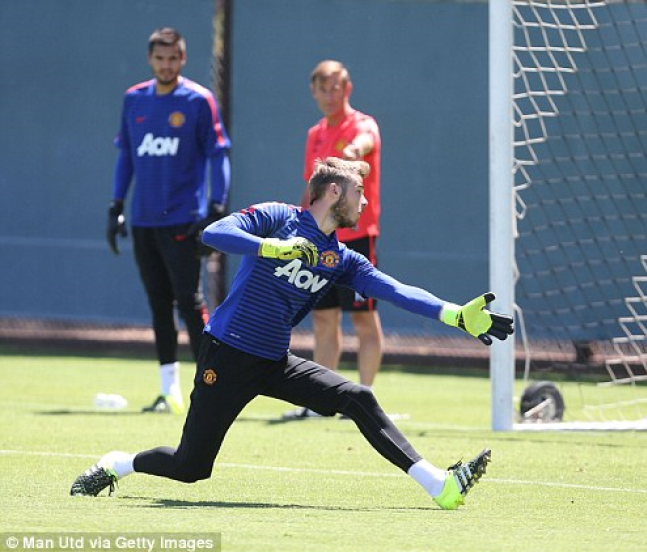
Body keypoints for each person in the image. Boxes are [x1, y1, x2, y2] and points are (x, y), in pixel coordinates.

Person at [71, 157, 513, 510]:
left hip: (274, 362)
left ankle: (439, 485)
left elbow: (396, 290)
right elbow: (214, 233)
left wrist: (455, 315)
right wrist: (272, 247)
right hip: (226, 355)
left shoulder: (340, 258)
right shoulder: (278, 217)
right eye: (360, 191)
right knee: (191, 467)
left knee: (358, 398)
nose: (365, 201)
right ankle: (117, 464)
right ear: (334, 191)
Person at [106, 27, 231, 414]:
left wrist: (215, 208)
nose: (166, 65)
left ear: (183, 58)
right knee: (158, 304)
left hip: (183, 220)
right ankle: (168, 392)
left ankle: (211, 386)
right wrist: (116, 205)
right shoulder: (134, 99)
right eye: (159, 58)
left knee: (189, 303)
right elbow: (126, 156)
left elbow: (218, 154)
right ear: (150, 59)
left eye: (172, 58)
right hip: (144, 221)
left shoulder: (198, 100)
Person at [284, 61, 382, 420]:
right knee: (324, 319)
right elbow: (311, 188)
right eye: (323, 89)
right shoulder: (315, 134)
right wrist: (299, 226)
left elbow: (365, 142)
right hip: (322, 241)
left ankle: (365, 400)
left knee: (363, 320)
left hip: (357, 239)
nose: (330, 95)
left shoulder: (363, 124)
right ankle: (322, 401)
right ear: (313, 92)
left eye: (335, 88)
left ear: (347, 89)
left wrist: (353, 152)